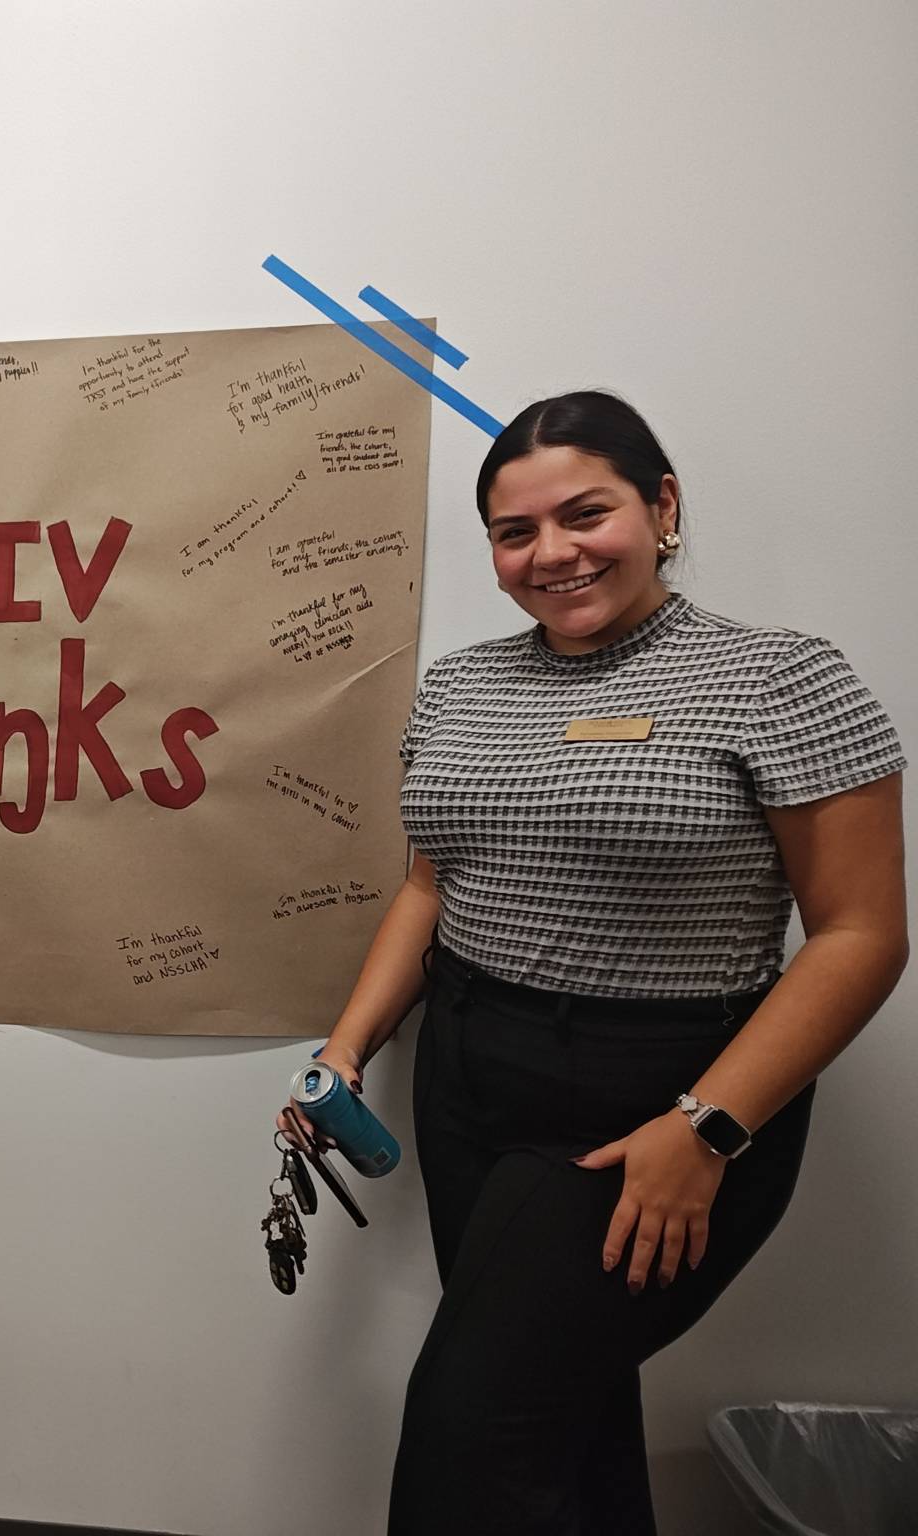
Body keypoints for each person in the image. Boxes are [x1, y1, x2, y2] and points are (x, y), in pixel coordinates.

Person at [283, 392, 908, 1535]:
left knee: (467, 1445)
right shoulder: (462, 685)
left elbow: (861, 936)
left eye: (585, 514)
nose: (551, 554)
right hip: (469, 1075)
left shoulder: (780, 678)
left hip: (661, 1096)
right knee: (561, 1417)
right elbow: (430, 885)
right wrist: (345, 1047)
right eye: (514, 533)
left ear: (660, 507)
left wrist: (706, 1127)